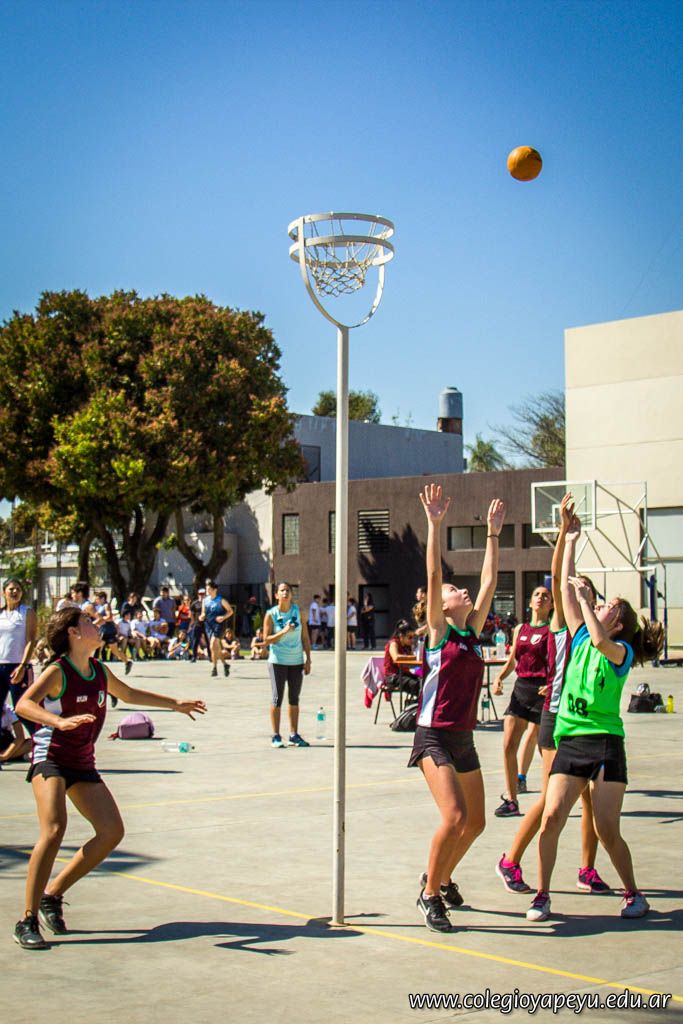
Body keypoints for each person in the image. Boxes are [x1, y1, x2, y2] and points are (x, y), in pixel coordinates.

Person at [13, 605, 206, 949]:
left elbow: (129, 694)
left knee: (111, 831)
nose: (95, 623)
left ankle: (52, 895)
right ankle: (26, 919)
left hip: (81, 762)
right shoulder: (58, 671)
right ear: (73, 633)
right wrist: (58, 722)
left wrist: (175, 703)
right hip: (51, 758)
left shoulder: (99, 670)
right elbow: (24, 705)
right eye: (87, 621)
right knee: (54, 829)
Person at [526, 515, 664, 924]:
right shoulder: (581, 634)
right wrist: (569, 539)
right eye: (598, 604)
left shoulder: (618, 651)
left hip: (605, 744)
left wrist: (588, 601)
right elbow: (564, 588)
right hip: (571, 741)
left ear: (617, 623)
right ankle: (542, 895)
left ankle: (634, 893)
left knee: (606, 829)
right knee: (551, 818)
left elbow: (600, 638)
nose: (598, 606)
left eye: (607, 607)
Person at [496, 496, 609, 896]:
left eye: (586, 591)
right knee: (549, 799)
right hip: (555, 718)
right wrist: (565, 533)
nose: (578, 592)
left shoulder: (599, 639)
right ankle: (510, 860)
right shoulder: (564, 622)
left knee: (590, 802)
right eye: (575, 589)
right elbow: (559, 574)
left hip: (585, 724)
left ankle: (587, 869)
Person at [411, 483, 505, 933]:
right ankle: (429, 894)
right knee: (455, 817)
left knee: (477, 822)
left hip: (463, 737)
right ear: (441, 607)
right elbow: (433, 576)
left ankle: (442, 877)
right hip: (433, 735)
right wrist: (434, 524)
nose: (460, 590)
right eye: (452, 590)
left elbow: (489, 582)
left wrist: (492, 534)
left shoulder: (471, 632)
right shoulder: (440, 631)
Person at [492, 585, 553, 816]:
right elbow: (512, 661)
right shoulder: (521, 629)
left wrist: (553, 684)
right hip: (521, 689)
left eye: (546, 596)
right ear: (530, 602)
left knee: (545, 749)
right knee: (509, 744)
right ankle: (511, 800)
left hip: (542, 691)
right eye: (537, 594)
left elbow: (559, 662)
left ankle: (553, 797)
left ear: (551, 605)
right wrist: (499, 678)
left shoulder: (552, 630)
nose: (540, 598)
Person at [259, 582, 312, 748]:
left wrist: (308, 659)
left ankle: (294, 735)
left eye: (288, 590)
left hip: (296, 661)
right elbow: (266, 640)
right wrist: (284, 631)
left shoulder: (298, 612)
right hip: (277, 661)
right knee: (277, 698)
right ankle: (276, 735)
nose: (285, 593)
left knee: (294, 698)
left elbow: (305, 637)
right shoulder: (271, 614)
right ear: (276, 595)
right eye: (282, 590)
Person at [0, 577, 38, 731]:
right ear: (4, 592)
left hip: (18, 666)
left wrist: (23, 666)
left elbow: (30, 640)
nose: (15, 591)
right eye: (11, 589)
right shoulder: (1, 613)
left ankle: (39, 739)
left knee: (23, 710)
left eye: (18, 589)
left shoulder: (26, 612)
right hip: (1, 666)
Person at [199, 580, 233, 678]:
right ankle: (225, 664)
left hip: (218, 625)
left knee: (212, 645)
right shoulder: (205, 601)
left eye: (209, 589)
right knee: (216, 648)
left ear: (215, 590)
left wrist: (223, 617)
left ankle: (214, 668)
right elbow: (203, 612)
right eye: (207, 589)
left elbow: (230, 611)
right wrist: (201, 616)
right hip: (208, 625)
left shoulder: (221, 600)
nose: (207, 591)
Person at [383, 619, 420, 700]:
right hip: (393, 677)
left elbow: (413, 664)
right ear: (401, 636)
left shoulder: (408, 646)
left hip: (404, 674)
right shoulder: (393, 643)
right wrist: (414, 657)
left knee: (424, 681)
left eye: (413, 637)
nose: (412, 640)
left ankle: (419, 703)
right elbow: (396, 657)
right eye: (409, 637)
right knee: (416, 685)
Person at [189, 587, 207, 662]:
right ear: (198, 594)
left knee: (208, 640)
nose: (201, 595)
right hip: (197, 624)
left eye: (203, 594)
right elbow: (191, 614)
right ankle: (194, 656)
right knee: (195, 640)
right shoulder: (195, 603)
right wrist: (193, 623)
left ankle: (210, 656)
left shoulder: (208, 603)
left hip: (206, 624)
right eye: (200, 594)